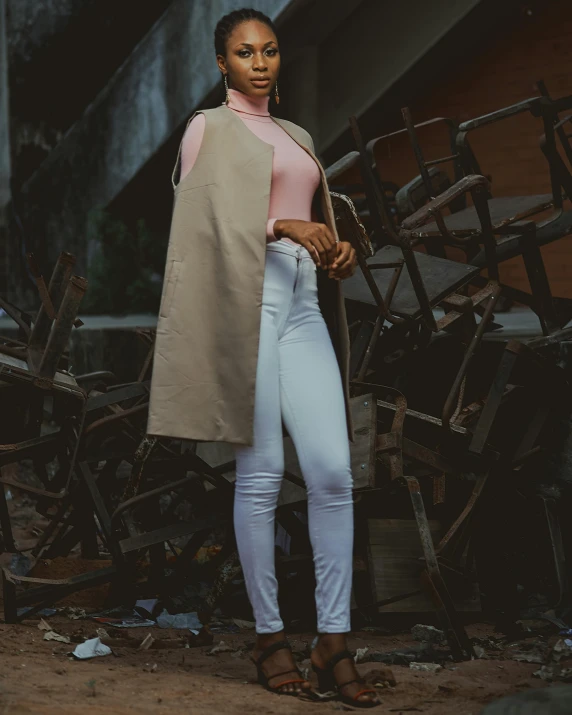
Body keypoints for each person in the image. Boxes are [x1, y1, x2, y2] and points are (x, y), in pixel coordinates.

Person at [148, 7, 379, 708]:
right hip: (247, 308)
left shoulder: (297, 135)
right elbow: (203, 225)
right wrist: (284, 225)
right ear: (222, 63)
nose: (260, 62)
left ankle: (333, 636)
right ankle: (270, 636)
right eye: (245, 52)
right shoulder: (205, 129)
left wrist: (333, 245)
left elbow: (316, 212)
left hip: (303, 306)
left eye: (270, 50)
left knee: (335, 471)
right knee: (264, 473)